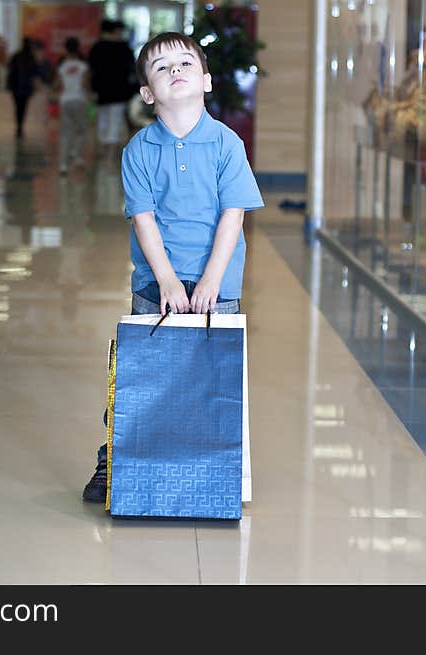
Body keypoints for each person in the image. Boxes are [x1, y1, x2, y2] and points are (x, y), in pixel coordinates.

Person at [82, 31, 264, 502]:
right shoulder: (139, 150)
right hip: (153, 281)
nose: (175, 72)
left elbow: (233, 216)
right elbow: (144, 220)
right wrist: (164, 278)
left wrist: (210, 280)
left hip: (217, 284)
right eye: (161, 68)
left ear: (205, 80)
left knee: (212, 374)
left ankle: (214, 468)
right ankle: (117, 459)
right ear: (147, 93)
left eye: (185, 64)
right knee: (143, 375)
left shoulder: (227, 143)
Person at [87, 20, 137, 159]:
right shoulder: (124, 47)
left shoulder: (97, 47)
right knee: (115, 119)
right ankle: (110, 150)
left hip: (101, 90)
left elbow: (91, 70)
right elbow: (131, 69)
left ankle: (102, 147)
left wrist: (92, 89)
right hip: (119, 91)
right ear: (116, 31)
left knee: (102, 118)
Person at [54, 37, 90, 175]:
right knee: (81, 130)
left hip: (65, 100)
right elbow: (84, 84)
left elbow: (57, 85)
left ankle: (63, 165)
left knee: (66, 133)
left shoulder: (62, 66)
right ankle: (78, 156)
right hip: (79, 100)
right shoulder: (83, 66)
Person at [6, 38, 39, 138]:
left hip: (17, 87)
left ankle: (19, 126)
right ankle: (20, 126)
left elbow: (10, 68)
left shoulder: (17, 56)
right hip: (25, 88)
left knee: (18, 108)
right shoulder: (30, 57)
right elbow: (35, 72)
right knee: (23, 108)